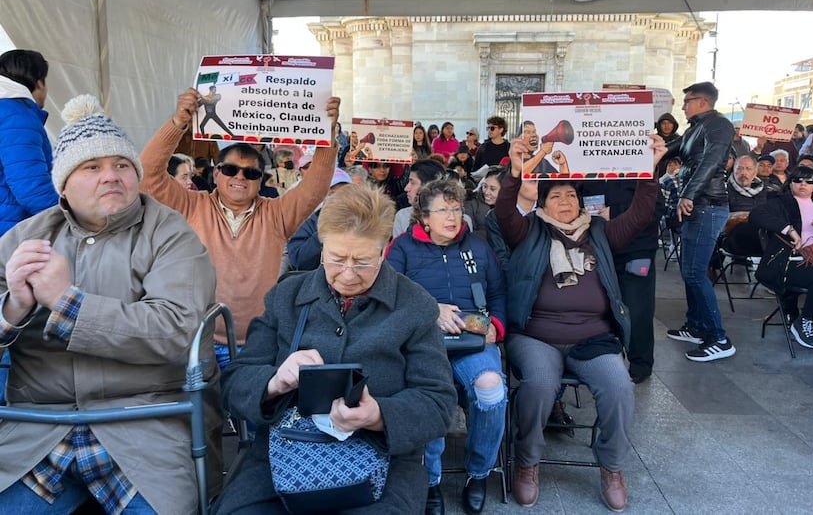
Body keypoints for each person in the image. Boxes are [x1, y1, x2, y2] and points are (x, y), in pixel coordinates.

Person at [0, 95, 218, 513]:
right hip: (38, 429)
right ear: (63, 184)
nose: (111, 176)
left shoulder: (169, 232)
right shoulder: (27, 237)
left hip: (143, 425)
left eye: (121, 165)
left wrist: (68, 304)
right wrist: (13, 309)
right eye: (92, 167)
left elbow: (178, 329)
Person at [212, 183, 456, 514]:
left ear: (384, 250)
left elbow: (439, 404)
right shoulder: (287, 296)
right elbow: (235, 384)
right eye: (337, 258)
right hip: (285, 453)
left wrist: (379, 416)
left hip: (382, 462)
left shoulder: (414, 306)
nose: (348, 274)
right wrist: (274, 382)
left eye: (363, 261)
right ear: (322, 248)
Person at [495, 134, 666, 511]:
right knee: (539, 384)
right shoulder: (527, 232)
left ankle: (613, 467)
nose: (565, 201)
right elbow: (504, 211)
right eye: (556, 196)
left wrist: (649, 171)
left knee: (620, 386)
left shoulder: (601, 232)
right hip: (536, 336)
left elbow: (639, 214)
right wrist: (514, 169)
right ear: (543, 204)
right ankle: (527, 461)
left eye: (571, 195)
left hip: (593, 337)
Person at [139, 89, 338, 365]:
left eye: (251, 172)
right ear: (217, 172)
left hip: (259, 346)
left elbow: (315, 188)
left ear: (260, 180)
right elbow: (147, 175)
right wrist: (176, 124)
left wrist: (326, 135)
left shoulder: (277, 214)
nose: (240, 177)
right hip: (199, 343)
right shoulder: (191, 205)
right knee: (203, 411)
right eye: (231, 170)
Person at [386, 179, 507, 515]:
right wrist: (430, 309)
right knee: (428, 396)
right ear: (424, 217)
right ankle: (429, 481)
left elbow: (498, 294)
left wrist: (495, 327)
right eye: (443, 210)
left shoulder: (478, 247)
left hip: (473, 341)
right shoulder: (401, 248)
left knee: (491, 390)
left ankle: (479, 472)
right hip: (422, 343)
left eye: (457, 209)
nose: (453, 217)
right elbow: (386, 299)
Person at [666, 82, 737, 362]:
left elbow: (712, 161)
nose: (682, 106)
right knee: (689, 270)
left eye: (686, 101)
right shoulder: (697, 127)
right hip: (699, 206)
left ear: (702, 101)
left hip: (707, 206)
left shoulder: (717, 125)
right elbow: (676, 147)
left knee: (695, 272)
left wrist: (688, 194)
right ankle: (696, 327)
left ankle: (718, 338)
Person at [583, 179, 664, 384]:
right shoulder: (586, 165)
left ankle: (640, 365)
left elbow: (657, 207)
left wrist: (617, 212)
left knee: (637, 309)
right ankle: (608, 360)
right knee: (599, 307)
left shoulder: (639, 166)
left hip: (637, 250)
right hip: (598, 248)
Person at [749, 165, 813, 349]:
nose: (803, 184)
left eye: (809, 181)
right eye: (797, 180)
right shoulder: (781, 202)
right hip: (791, 261)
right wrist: (789, 229)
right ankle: (804, 320)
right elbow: (756, 215)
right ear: (790, 184)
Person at [0, 49, 58, 237]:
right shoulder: (18, 115)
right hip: (9, 233)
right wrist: (69, 216)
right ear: (38, 82)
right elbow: (31, 187)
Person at [286, 168, 353, 271]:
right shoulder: (309, 224)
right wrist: (323, 233)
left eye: (344, 193)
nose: (338, 198)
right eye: (331, 193)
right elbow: (299, 261)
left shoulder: (362, 222)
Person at [722, 155, 767, 257]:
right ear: (733, 170)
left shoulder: (763, 189)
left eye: (748, 169)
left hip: (760, 233)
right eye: (739, 168)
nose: (743, 173)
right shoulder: (724, 189)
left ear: (755, 172)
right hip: (734, 235)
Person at [392, 159, 446, 237]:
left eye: (412, 183)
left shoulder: (458, 219)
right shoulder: (403, 216)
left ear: (429, 186)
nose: (406, 188)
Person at [465, 167, 502, 240]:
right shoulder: (470, 203)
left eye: (492, 189)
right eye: (485, 186)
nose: (487, 192)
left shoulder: (512, 206)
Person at [655, 112, 681, 177]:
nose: (667, 126)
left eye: (669, 123)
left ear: (673, 125)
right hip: (657, 174)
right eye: (664, 123)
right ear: (659, 125)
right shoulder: (654, 140)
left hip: (676, 173)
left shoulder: (679, 139)